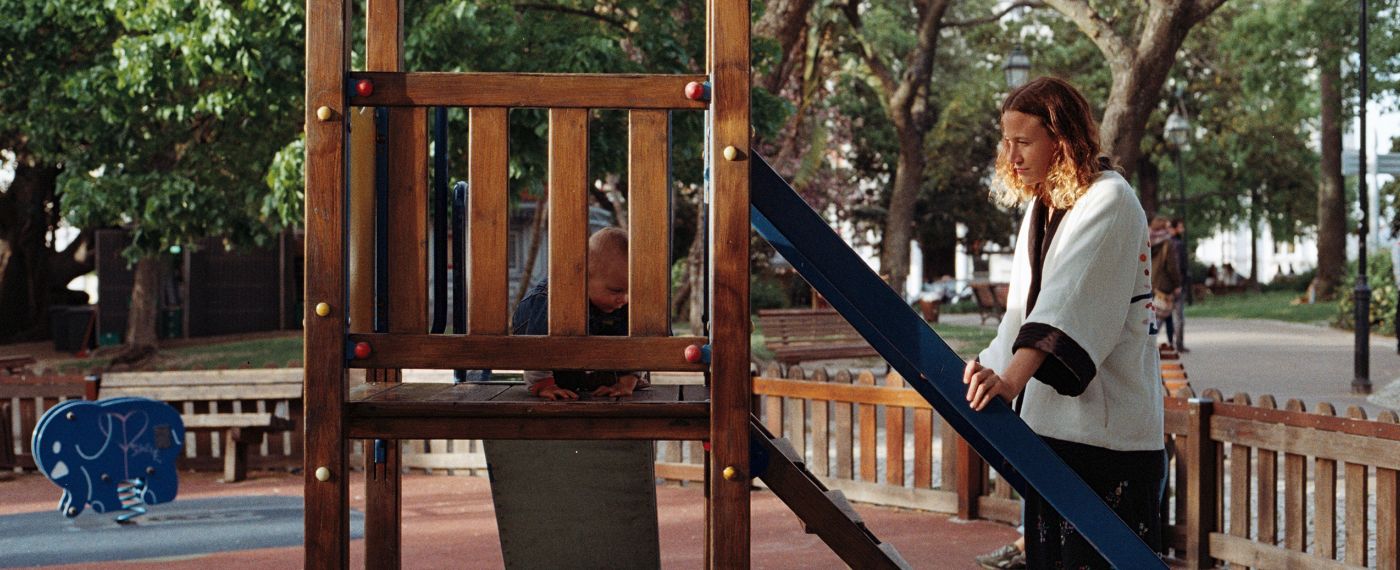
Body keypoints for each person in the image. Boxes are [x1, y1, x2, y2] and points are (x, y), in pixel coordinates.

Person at [962, 76, 1165, 568]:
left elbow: (1066, 301)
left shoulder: (1110, 200)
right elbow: (1021, 313)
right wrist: (979, 373)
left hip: (1107, 443)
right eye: (1006, 142)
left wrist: (1009, 381)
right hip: (1055, 437)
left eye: (1024, 142)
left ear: (1063, 140)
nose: (1011, 156)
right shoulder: (1044, 205)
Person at [511, 227, 649, 399]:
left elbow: (635, 344)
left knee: (626, 325)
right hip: (541, 343)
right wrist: (543, 384)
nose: (625, 298)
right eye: (616, 290)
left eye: (630, 291)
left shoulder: (621, 301)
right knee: (554, 351)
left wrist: (627, 381)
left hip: (585, 354)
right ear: (583, 277)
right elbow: (535, 346)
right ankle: (550, 380)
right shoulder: (553, 299)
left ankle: (608, 379)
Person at [1150, 216, 1182, 350]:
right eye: (1167, 226)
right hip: (1164, 284)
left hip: (1152, 282)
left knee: (1155, 315)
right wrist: (1177, 284)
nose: (1170, 229)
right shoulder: (1167, 243)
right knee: (1161, 315)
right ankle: (1150, 343)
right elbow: (1172, 267)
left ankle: (1165, 342)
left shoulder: (1148, 240)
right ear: (1162, 228)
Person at [1170, 218, 1189, 352]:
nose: (1182, 229)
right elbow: (1177, 266)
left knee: (1163, 315)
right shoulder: (1177, 244)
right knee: (1179, 316)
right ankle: (1179, 343)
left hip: (1169, 285)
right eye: (1181, 227)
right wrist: (1178, 284)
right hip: (1177, 285)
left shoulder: (1168, 243)